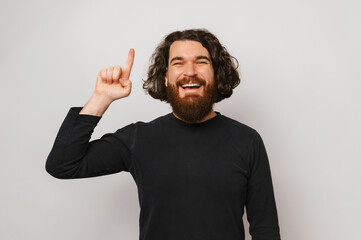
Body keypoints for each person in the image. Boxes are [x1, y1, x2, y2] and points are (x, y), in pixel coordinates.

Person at [46, 29, 281, 240]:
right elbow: (63, 165)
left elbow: (265, 230)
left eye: (201, 62)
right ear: (166, 76)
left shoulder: (247, 141)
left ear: (216, 74)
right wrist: (101, 99)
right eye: (178, 63)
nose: (190, 72)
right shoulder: (139, 139)